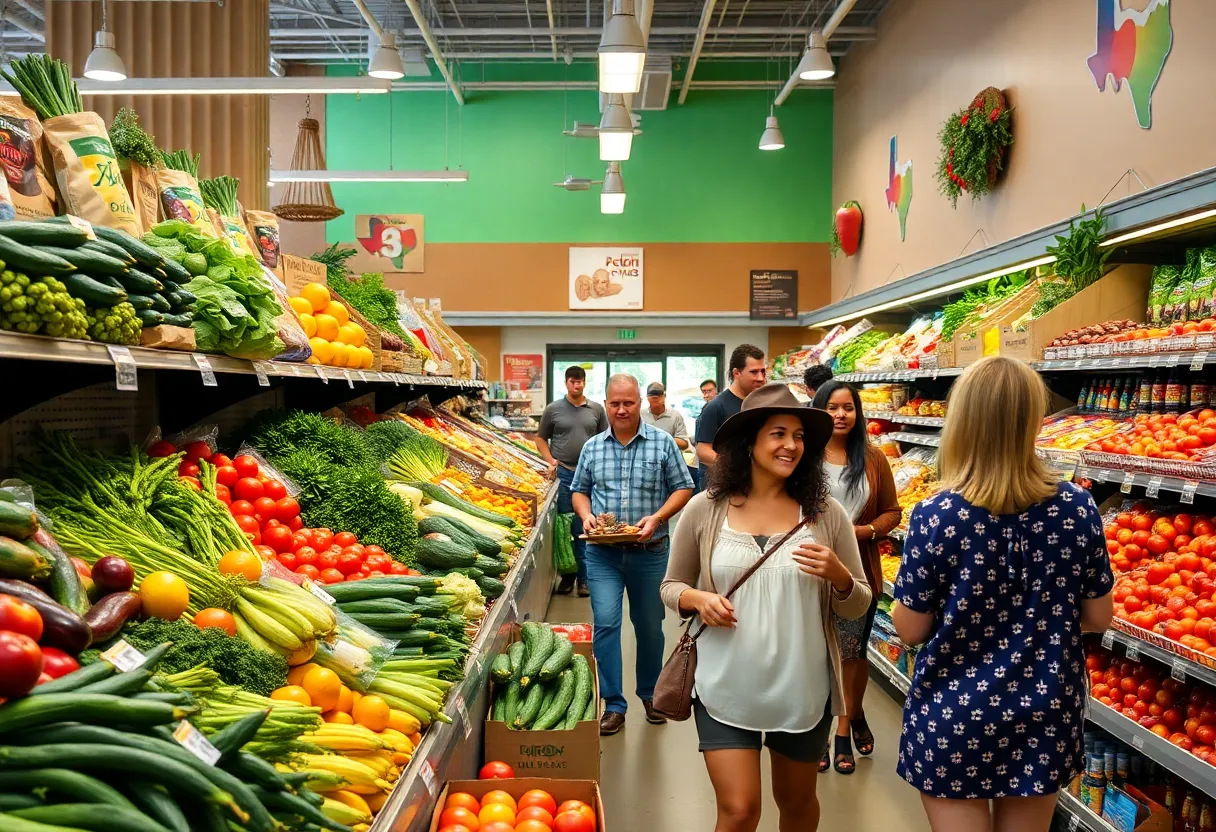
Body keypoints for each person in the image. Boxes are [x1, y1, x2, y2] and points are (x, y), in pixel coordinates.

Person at [892, 357, 1114, 832]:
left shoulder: (937, 514)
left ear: (962, 422)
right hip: (1045, 709)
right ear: (1035, 419)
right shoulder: (1077, 507)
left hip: (956, 711)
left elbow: (910, 630)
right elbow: (1098, 616)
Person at [661, 382, 873, 832]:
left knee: (796, 805)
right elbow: (671, 584)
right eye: (778, 434)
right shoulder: (706, 510)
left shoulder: (824, 514)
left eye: (798, 436)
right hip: (723, 683)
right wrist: (696, 598)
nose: (791, 445)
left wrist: (838, 575)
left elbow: (859, 604)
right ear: (750, 442)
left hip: (800, 688)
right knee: (739, 811)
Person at [572, 374, 695, 735]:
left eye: (628, 403)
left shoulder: (662, 443)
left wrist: (657, 517)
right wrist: (586, 514)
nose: (622, 410)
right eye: (615, 403)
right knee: (607, 624)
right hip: (603, 555)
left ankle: (650, 694)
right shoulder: (593, 447)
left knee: (649, 628)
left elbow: (684, 487)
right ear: (605, 404)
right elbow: (579, 490)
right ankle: (614, 704)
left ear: (640, 402)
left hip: (651, 552)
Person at [809, 379, 900, 775]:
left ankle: (843, 728)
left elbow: (892, 512)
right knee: (813, 654)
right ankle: (822, 726)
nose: (841, 415)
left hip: (858, 572)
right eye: (832, 407)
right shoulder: (804, 455)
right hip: (809, 568)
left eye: (848, 408)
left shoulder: (874, 459)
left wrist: (862, 533)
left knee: (851, 652)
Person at [535, 365, 609, 596]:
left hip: (590, 475)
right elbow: (540, 439)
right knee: (564, 526)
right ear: (566, 383)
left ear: (584, 383)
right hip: (565, 473)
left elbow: (607, 438)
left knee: (585, 525)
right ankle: (567, 576)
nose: (576, 385)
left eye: (580, 381)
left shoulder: (596, 409)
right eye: (572, 381)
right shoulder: (553, 409)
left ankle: (584, 579)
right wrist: (550, 460)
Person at [696, 345, 767, 467]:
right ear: (736, 373)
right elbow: (703, 451)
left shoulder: (765, 403)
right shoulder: (716, 406)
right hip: (729, 482)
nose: (761, 378)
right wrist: (734, 467)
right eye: (754, 372)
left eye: (763, 371)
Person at [643, 381, 699, 491]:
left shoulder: (675, 416)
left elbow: (683, 443)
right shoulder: (641, 415)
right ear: (647, 397)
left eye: (658, 396)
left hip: (670, 464)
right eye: (652, 396)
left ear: (664, 396)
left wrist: (661, 438)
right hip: (646, 464)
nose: (655, 399)